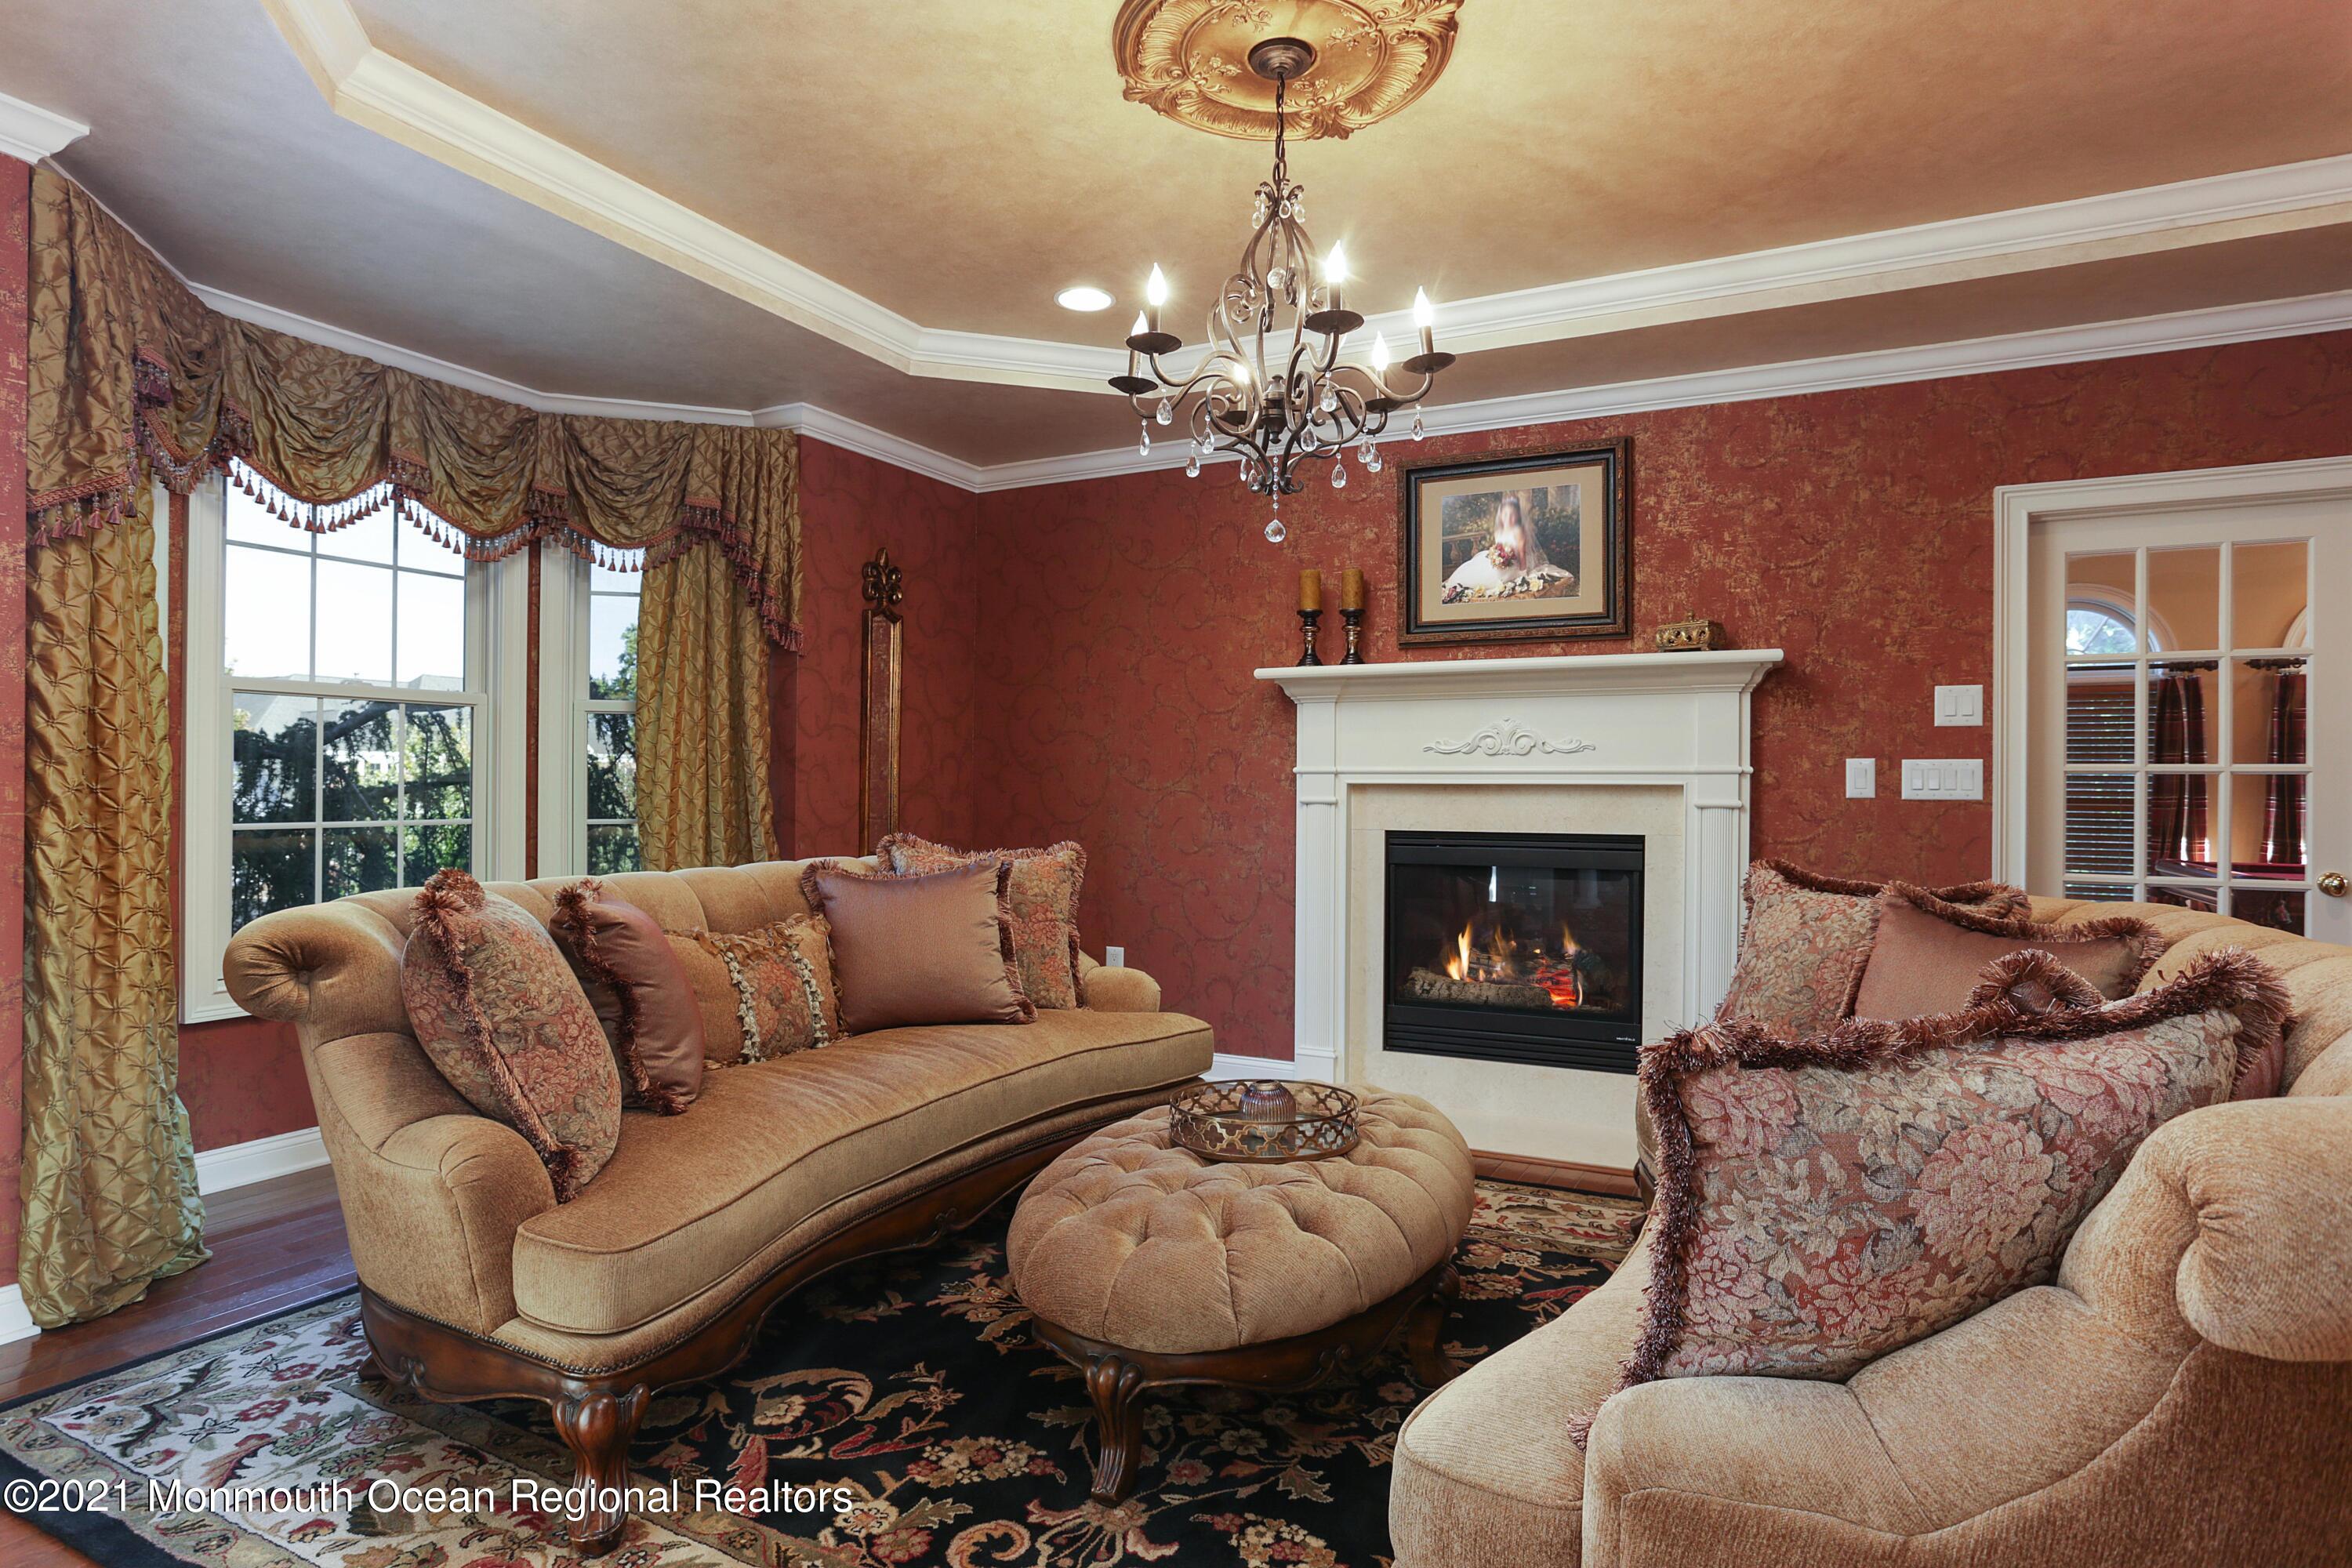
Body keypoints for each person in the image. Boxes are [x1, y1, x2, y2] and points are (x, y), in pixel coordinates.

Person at [1440, 493, 1573, 602]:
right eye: (1505, 515)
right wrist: (1495, 556)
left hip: (1515, 564)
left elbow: (1521, 554)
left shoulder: (1519, 531)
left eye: (1512, 515)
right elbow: (1498, 547)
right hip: (1502, 561)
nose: (1508, 518)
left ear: (1517, 516)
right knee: (1474, 566)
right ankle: (1457, 583)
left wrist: (1522, 573)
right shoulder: (1500, 531)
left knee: (1489, 578)